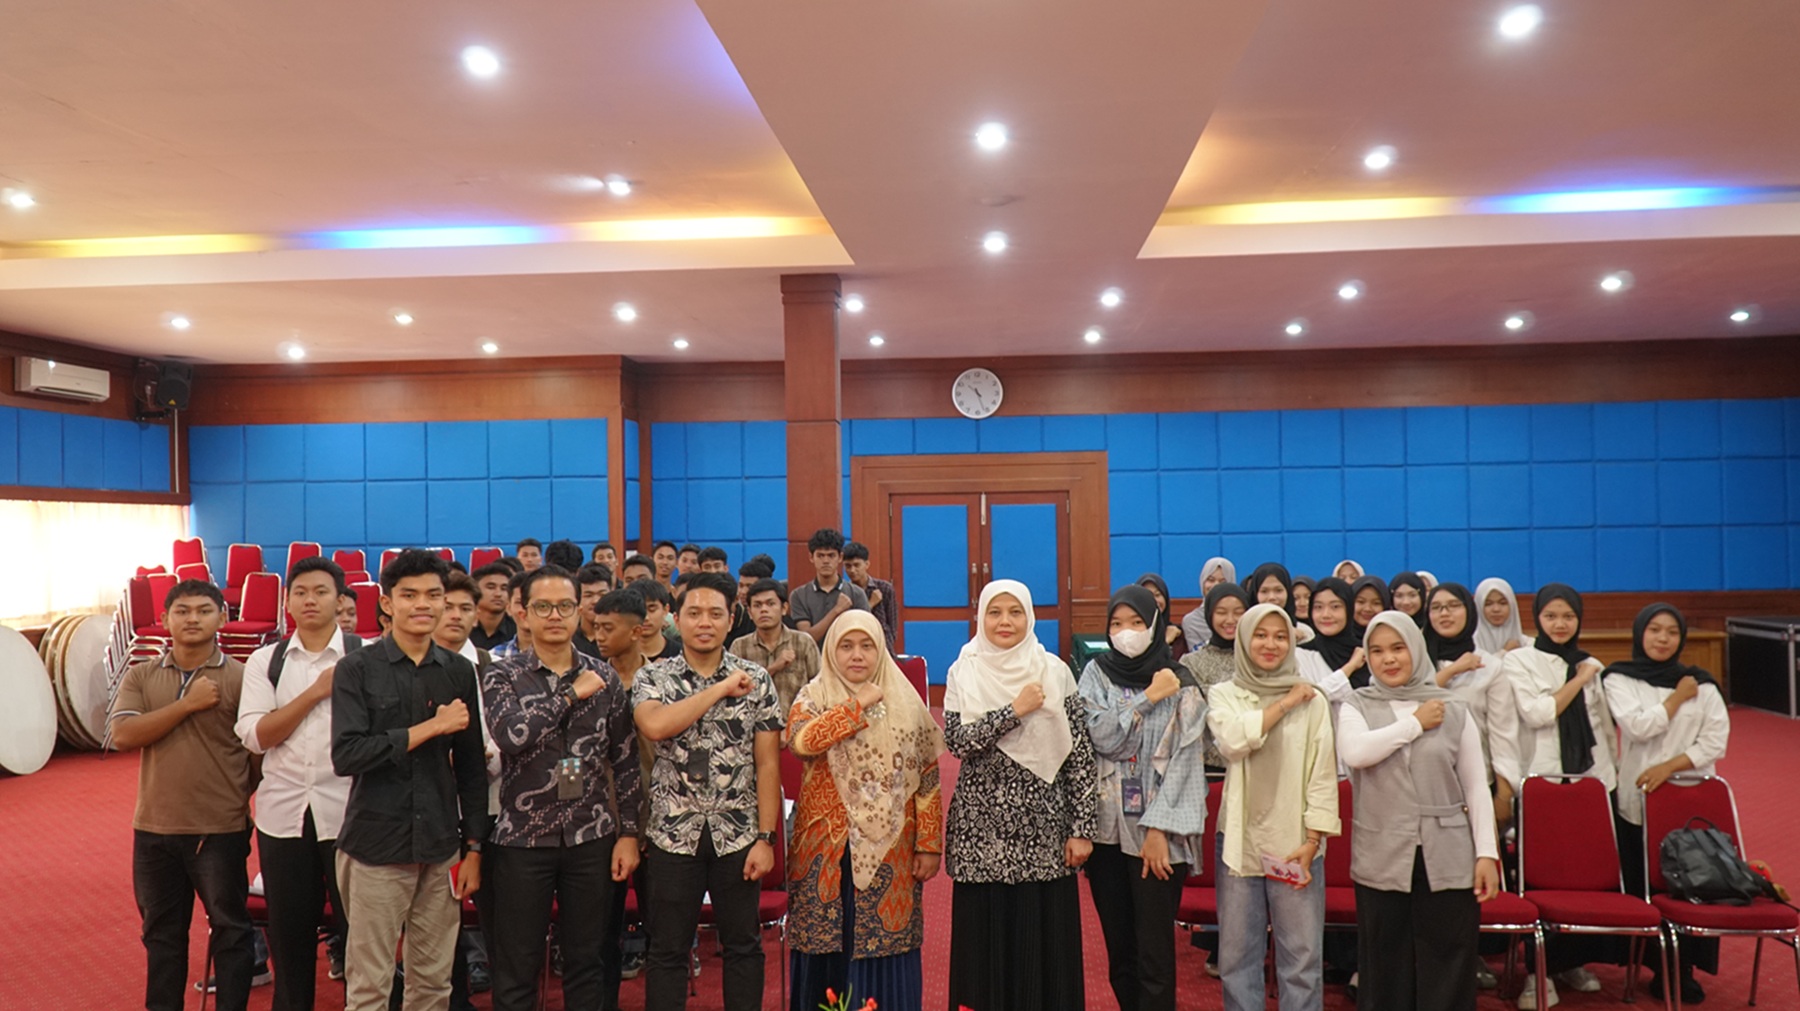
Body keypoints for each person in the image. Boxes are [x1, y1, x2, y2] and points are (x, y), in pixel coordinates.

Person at [331, 549, 490, 1011]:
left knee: (434, 984)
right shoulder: (357, 668)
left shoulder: (459, 671)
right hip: (375, 844)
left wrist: (474, 847)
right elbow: (348, 755)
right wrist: (430, 728)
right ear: (387, 603)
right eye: (409, 595)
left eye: (433, 595)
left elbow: (472, 769)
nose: (423, 604)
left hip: (440, 846)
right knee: (369, 987)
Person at [481, 565, 644, 1011]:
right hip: (522, 840)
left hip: (592, 835)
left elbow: (625, 760)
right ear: (523, 612)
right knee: (517, 965)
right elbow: (512, 735)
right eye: (543, 607)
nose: (555, 616)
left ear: (578, 613)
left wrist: (629, 834)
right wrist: (570, 695)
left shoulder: (604, 676)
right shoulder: (501, 675)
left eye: (565, 606)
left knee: (587, 961)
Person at [631, 572, 784, 1011]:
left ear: (731, 619)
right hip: (672, 834)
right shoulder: (653, 677)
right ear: (676, 619)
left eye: (716, 614)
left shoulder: (756, 680)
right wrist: (719, 688)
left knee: (743, 946)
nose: (705, 622)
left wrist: (766, 838)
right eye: (694, 613)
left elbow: (767, 764)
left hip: (738, 833)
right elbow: (656, 726)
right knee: (668, 948)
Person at [944, 579, 1097, 1011]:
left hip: (1044, 835)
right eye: (995, 612)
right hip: (980, 837)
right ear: (981, 617)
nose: (1005, 621)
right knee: (983, 955)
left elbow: (1080, 757)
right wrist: (1014, 711)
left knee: (1042, 951)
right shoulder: (964, 670)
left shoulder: (1055, 671)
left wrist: (1082, 828)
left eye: (1015, 612)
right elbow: (958, 742)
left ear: (1029, 616)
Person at [1338, 612, 1502, 1011]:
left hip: (1447, 848)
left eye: (1398, 648)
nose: (1389, 659)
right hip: (1382, 849)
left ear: (1415, 648)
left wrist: (1487, 853)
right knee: (1384, 959)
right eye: (1377, 651)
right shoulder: (1356, 704)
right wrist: (1414, 723)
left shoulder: (1453, 707)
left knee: (1448, 956)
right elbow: (1356, 753)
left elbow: (1475, 786)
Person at [109, 578, 257, 1011]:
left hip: (219, 828)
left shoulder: (242, 677)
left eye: (204, 610)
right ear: (164, 619)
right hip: (153, 828)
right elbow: (123, 735)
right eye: (182, 611)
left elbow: (258, 756)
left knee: (231, 930)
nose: (193, 619)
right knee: (161, 935)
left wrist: (229, 794)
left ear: (222, 618)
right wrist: (187, 704)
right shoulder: (142, 674)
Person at [785, 610, 944, 1011]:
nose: (857, 655)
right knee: (825, 944)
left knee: (885, 946)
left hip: (891, 850)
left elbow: (927, 778)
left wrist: (929, 843)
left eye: (867, 646)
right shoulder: (813, 695)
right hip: (824, 851)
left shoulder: (904, 700)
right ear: (831, 651)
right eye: (846, 646)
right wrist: (856, 707)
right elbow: (802, 742)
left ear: (881, 651)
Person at [235, 557, 361, 1010]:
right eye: (301, 592)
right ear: (287, 602)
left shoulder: (365, 656)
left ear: (340, 600)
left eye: (321, 592)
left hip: (353, 814)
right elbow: (257, 735)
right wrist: (314, 693)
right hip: (283, 815)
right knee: (289, 938)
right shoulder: (264, 661)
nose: (311, 600)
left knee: (362, 936)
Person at [1080, 586, 1211, 1011]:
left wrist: (1158, 830)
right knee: (1121, 952)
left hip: (1158, 838)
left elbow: (1186, 761)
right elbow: (1100, 736)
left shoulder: (1181, 681)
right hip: (1106, 834)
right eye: (1117, 624)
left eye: (1136, 623)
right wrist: (1148, 697)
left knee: (1154, 953)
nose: (1126, 632)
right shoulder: (1096, 673)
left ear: (1154, 625)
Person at [1205, 603, 1341, 1011]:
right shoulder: (1225, 693)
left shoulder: (1313, 701)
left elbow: (1322, 773)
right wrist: (1284, 703)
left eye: (1280, 636)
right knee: (1237, 959)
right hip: (1239, 841)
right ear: (1244, 640)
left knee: (1301, 961)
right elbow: (1233, 741)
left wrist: (1313, 840)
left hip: (1296, 842)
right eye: (1260, 635)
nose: (1271, 644)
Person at [1602, 604, 1730, 1005]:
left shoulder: (1702, 684)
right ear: (1640, 633)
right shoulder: (1619, 678)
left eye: (1672, 632)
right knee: (1646, 884)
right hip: (1636, 802)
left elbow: (1714, 742)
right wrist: (1677, 698)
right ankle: (1648, 962)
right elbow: (1639, 726)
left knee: (1690, 885)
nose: (1662, 639)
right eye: (1654, 630)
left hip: (1688, 801)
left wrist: (1668, 768)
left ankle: (1682, 969)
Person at [1500, 583, 1617, 1007]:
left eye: (1568, 616)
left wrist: (1610, 777)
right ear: (1538, 619)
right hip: (1543, 782)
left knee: (1584, 877)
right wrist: (1580, 678)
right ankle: (1537, 974)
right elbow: (1538, 713)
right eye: (1551, 616)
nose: (1560, 624)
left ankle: (1571, 961)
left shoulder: (1588, 661)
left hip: (1590, 781)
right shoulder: (1521, 659)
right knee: (1540, 878)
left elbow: (1602, 725)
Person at [592, 588, 656, 996]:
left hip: (658, 815)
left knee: (663, 930)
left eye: (608, 628)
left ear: (636, 631)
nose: (598, 635)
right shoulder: (589, 681)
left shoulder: (665, 681)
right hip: (601, 817)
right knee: (600, 932)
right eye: (595, 627)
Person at [1422, 584, 1522, 842]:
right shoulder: (1416, 663)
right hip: (1423, 785)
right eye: (1436, 607)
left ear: (1469, 611)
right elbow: (1411, 703)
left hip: (1476, 782)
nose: (1444, 613)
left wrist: (1503, 795)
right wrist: (1453, 670)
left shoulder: (1491, 666)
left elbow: (1503, 734)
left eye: (1453, 606)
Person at [729, 577, 821, 714]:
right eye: (757, 605)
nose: (764, 610)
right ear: (749, 612)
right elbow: (734, 693)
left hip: (796, 723)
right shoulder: (740, 647)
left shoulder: (804, 643)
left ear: (784, 608)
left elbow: (820, 689)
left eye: (770, 604)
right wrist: (773, 668)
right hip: (753, 725)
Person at [790, 528, 871, 645]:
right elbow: (807, 639)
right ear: (811, 557)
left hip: (846, 656)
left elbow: (865, 634)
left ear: (840, 557)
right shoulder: (799, 595)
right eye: (820, 556)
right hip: (814, 656)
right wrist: (836, 610)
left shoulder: (856, 593)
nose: (826, 561)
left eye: (831, 555)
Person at [841, 540, 898, 651]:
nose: (852, 570)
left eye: (857, 565)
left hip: (883, 646)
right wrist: (870, 604)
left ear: (867, 564)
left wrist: (887, 644)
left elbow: (892, 625)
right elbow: (852, 622)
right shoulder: (844, 592)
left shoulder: (884, 588)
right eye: (848, 566)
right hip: (855, 648)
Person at [1181, 557, 1236, 651]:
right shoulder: (1191, 621)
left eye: (1223, 582)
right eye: (1211, 580)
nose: (1215, 586)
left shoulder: (1241, 617)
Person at [1135, 572, 1186, 661]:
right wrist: (1166, 641)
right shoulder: (1132, 634)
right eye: (1148, 595)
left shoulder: (1177, 635)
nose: (1155, 600)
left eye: (1158, 594)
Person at [631, 577, 683, 660]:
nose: (646, 617)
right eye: (639, 610)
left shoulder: (681, 655)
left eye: (652, 609)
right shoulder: (617, 654)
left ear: (665, 610)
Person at [470, 562, 518, 651]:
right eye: (491, 587)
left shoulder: (517, 629)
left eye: (504, 588)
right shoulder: (464, 625)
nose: (498, 594)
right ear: (475, 590)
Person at [573, 562, 615, 660]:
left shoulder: (619, 638)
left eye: (602, 595)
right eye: (588, 595)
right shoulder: (568, 638)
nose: (596, 601)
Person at [1473, 578, 1525, 655]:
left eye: (1503, 603)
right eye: (1488, 604)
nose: (1496, 609)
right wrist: (1504, 651)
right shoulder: (1470, 644)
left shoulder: (1528, 644)